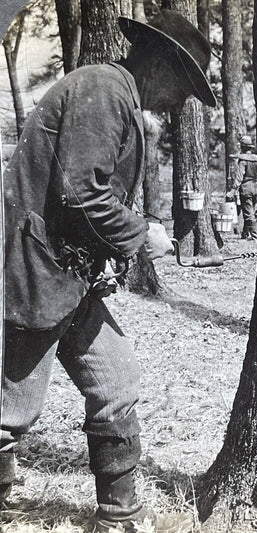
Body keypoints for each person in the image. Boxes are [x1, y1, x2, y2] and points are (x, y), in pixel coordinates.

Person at [0, 10, 216, 533]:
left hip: (70, 278)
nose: (180, 102)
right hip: (36, 274)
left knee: (116, 381)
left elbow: (80, 197)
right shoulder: (103, 90)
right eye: (182, 87)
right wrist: (142, 237)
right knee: (12, 410)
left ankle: (118, 518)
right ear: (160, 63)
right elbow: (81, 192)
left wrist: (107, 260)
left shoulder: (116, 97)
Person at [228, 136, 257, 240]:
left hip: (246, 187)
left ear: (242, 147)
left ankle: (255, 236)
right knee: (252, 211)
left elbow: (239, 177)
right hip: (256, 187)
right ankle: (245, 234)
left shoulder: (243, 161)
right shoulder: (256, 159)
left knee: (248, 214)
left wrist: (233, 190)